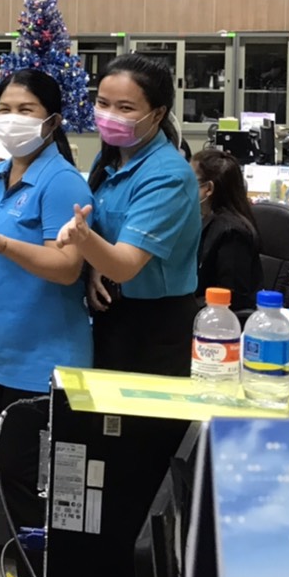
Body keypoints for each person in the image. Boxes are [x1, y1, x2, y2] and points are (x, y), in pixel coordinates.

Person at [0, 69, 92, 577]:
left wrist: (5, 245)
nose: (11, 118)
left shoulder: (61, 180)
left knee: (38, 495)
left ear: (53, 120)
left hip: (45, 360)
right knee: (11, 487)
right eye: (5, 107)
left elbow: (66, 267)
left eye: (27, 108)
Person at [57, 54, 201, 376]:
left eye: (125, 108)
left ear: (158, 113)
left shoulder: (167, 176)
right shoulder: (109, 160)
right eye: (102, 103)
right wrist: (96, 265)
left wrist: (84, 239)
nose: (110, 116)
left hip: (155, 325)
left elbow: (124, 265)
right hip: (112, 311)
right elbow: (110, 240)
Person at [193, 148, 262, 312]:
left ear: (208, 189)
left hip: (220, 318)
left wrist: (185, 308)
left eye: (189, 180)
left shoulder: (232, 232)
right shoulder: (205, 220)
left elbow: (233, 295)